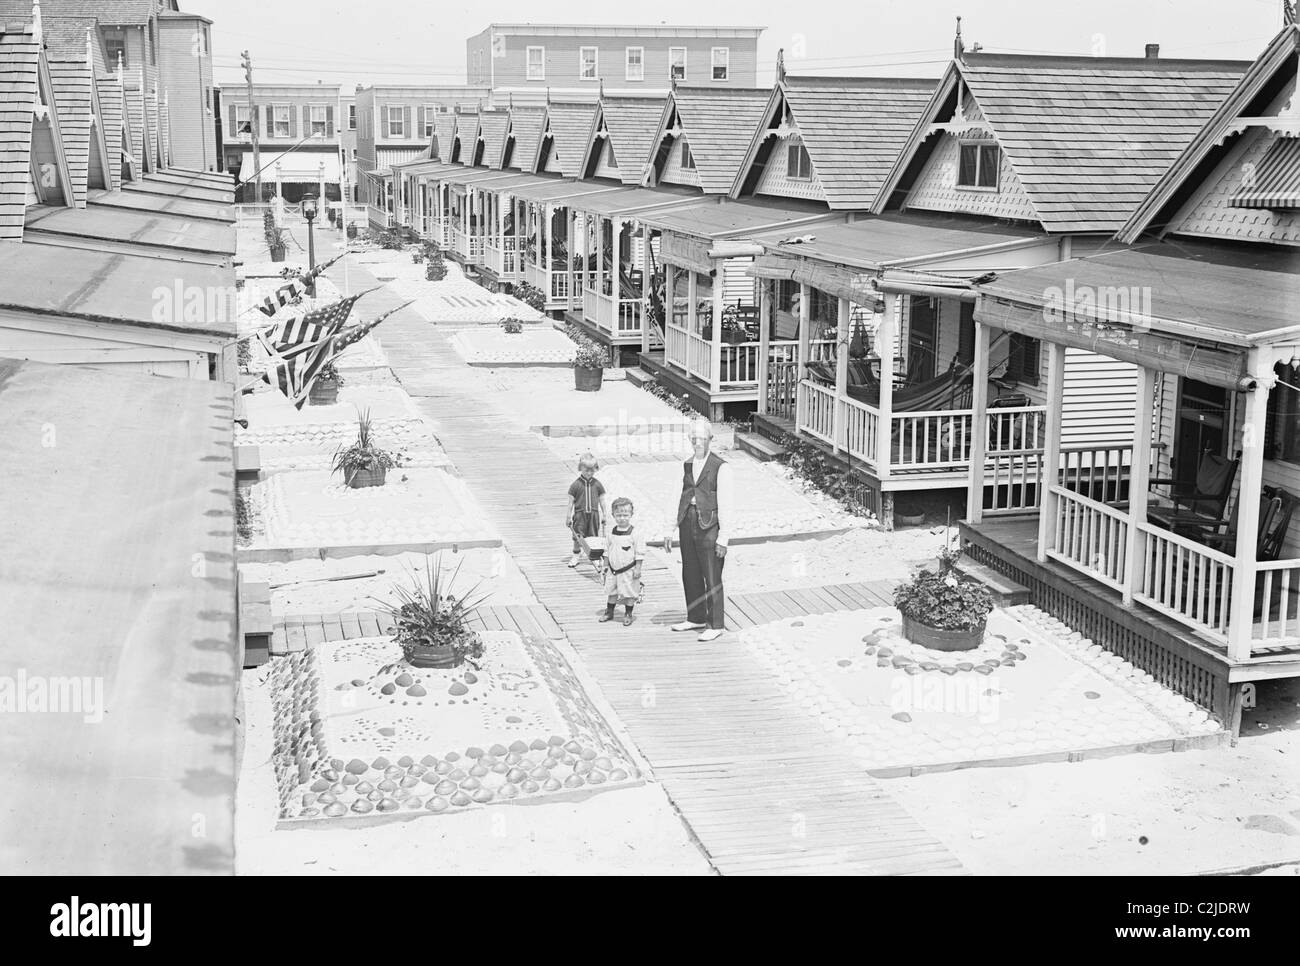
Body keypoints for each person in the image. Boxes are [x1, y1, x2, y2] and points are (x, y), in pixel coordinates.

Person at [667, 419, 733, 642]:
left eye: (702, 438)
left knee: (712, 573)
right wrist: (670, 528)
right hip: (688, 520)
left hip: (710, 523)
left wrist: (723, 538)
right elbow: (678, 496)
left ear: (710, 440)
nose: (697, 442)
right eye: (694, 438)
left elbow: (726, 504)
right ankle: (695, 616)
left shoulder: (720, 467)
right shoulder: (686, 465)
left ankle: (716, 623)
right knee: (691, 571)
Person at [598, 497, 643, 626]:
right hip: (613, 569)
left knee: (629, 592)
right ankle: (609, 611)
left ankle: (628, 613)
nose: (622, 518)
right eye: (618, 515)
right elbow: (607, 550)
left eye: (625, 515)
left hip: (629, 569)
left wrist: (638, 569)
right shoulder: (611, 533)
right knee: (611, 591)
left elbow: (640, 553)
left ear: (631, 515)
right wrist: (605, 566)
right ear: (613, 515)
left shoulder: (635, 533)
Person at [565, 453, 608, 568]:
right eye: (586, 470)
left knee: (593, 537)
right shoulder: (575, 485)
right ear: (580, 468)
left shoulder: (597, 484)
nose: (589, 473)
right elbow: (570, 503)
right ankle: (576, 555)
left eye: (592, 470)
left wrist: (604, 514)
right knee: (577, 536)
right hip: (580, 514)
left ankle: (593, 557)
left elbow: (602, 500)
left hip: (594, 514)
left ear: (595, 469)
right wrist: (568, 516)